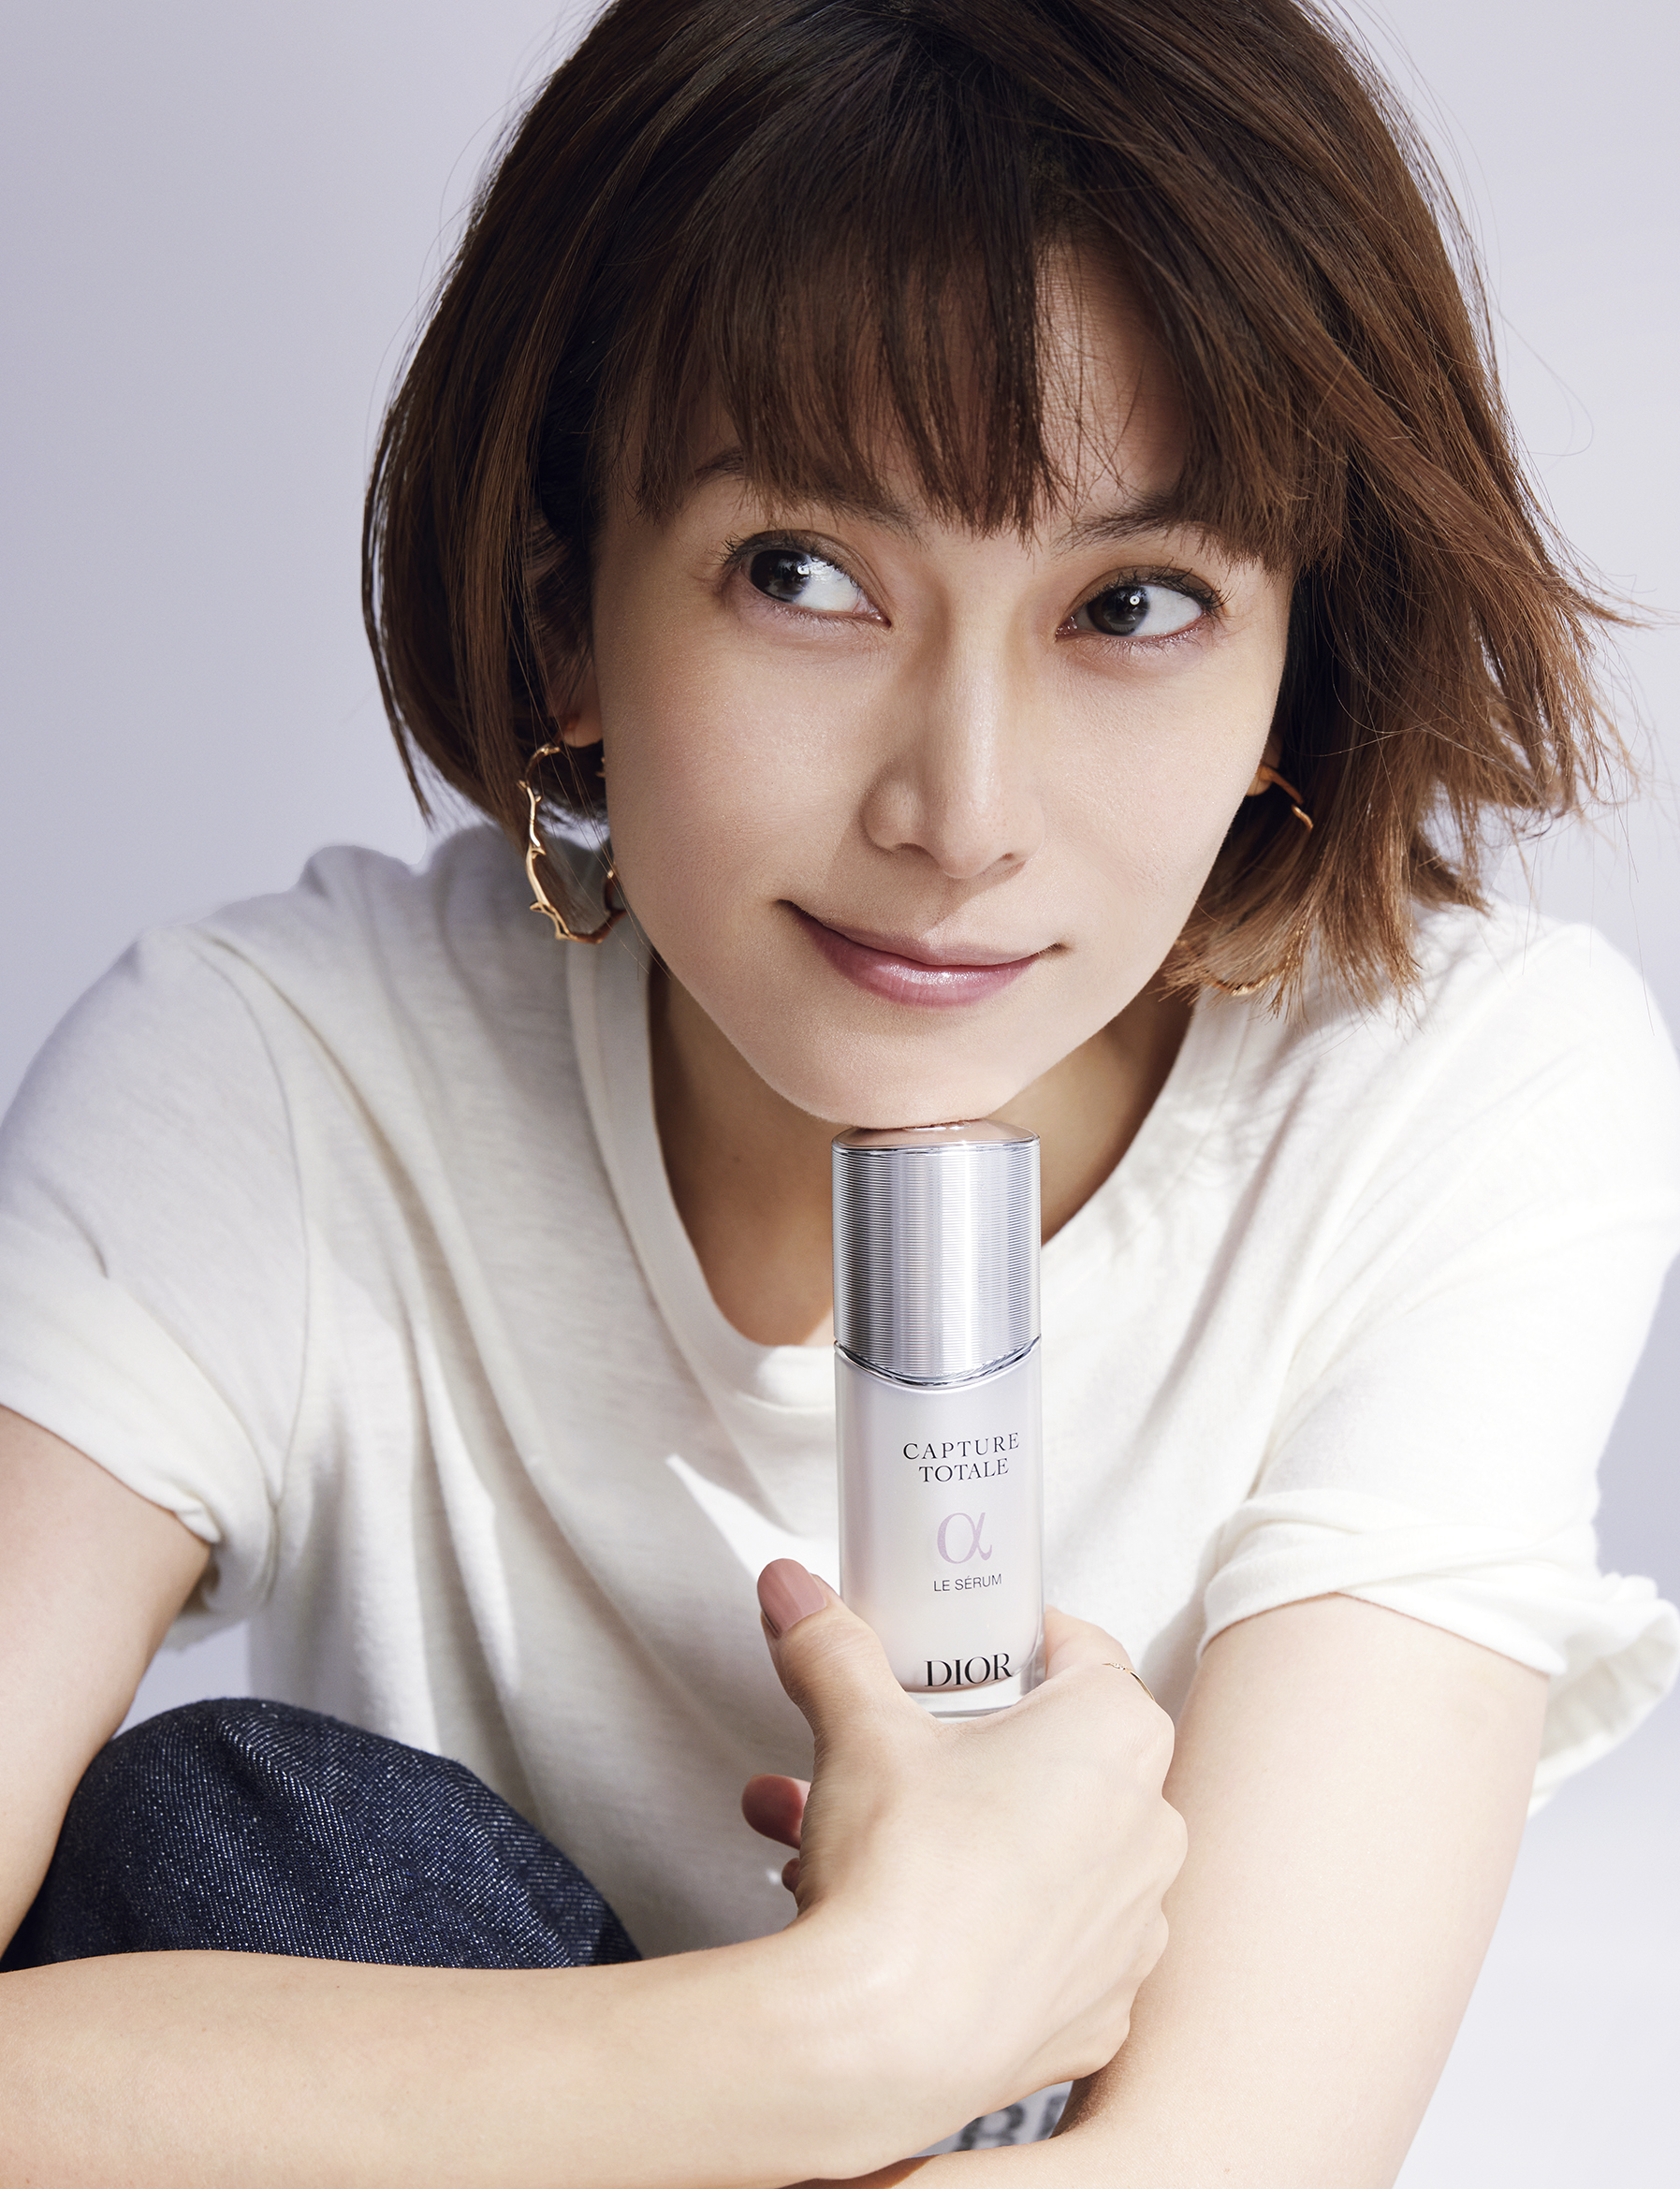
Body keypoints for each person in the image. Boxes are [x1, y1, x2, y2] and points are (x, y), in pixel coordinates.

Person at [1, 0, 1676, 2180]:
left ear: (1301, 667)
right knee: (234, 1838)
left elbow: (1230, 2159)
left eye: (1133, 604)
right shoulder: (281, 1078)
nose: (959, 816)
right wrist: (854, 2026)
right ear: (566, 600)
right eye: (802, 575)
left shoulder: (1455, 1093)